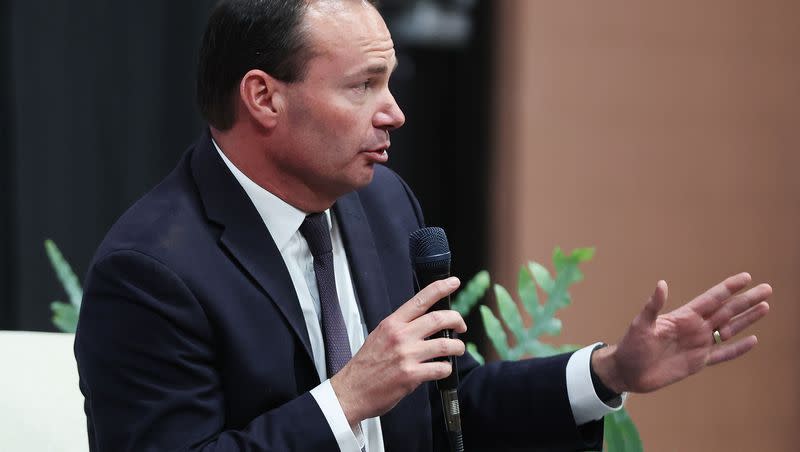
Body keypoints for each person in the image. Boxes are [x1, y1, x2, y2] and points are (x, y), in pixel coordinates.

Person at [73, 0, 772, 451]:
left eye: (391, 81)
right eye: (363, 85)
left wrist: (609, 371)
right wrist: (345, 401)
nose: (394, 112)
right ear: (263, 97)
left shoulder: (382, 204)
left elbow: (449, 400)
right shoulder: (153, 270)